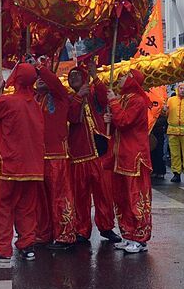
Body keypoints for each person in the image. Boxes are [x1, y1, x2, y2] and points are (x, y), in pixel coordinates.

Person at [0, 64, 44, 262]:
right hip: (31, 166)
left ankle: (3, 250)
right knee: (27, 207)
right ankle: (27, 246)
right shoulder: (35, 104)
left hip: (9, 164)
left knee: (3, 207)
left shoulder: (9, 102)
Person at [68, 64, 120, 243]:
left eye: (77, 75)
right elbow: (73, 117)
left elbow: (104, 98)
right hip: (79, 153)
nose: (73, 78)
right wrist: (78, 97)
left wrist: (95, 77)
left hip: (99, 152)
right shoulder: (69, 98)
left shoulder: (93, 94)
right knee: (80, 195)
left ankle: (106, 227)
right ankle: (81, 230)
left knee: (104, 193)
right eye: (70, 76)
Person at [105, 69, 153, 254]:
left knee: (135, 197)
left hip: (134, 157)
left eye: (125, 75)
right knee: (122, 198)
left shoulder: (138, 100)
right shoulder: (123, 99)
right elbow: (119, 122)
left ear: (133, 80)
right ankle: (128, 234)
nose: (120, 77)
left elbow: (125, 121)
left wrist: (113, 104)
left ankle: (139, 239)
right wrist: (111, 117)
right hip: (121, 157)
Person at [35, 61, 77, 250]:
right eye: (37, 78)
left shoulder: (60, 95)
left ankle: (65, 236)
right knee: (41, 199)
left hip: (57, 155)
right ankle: (44, 233)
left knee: (60, 196)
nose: (40, 80)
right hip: (38, 157)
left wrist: (39, 68)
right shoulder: (35, 98)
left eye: (44, 77)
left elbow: (55, 83)